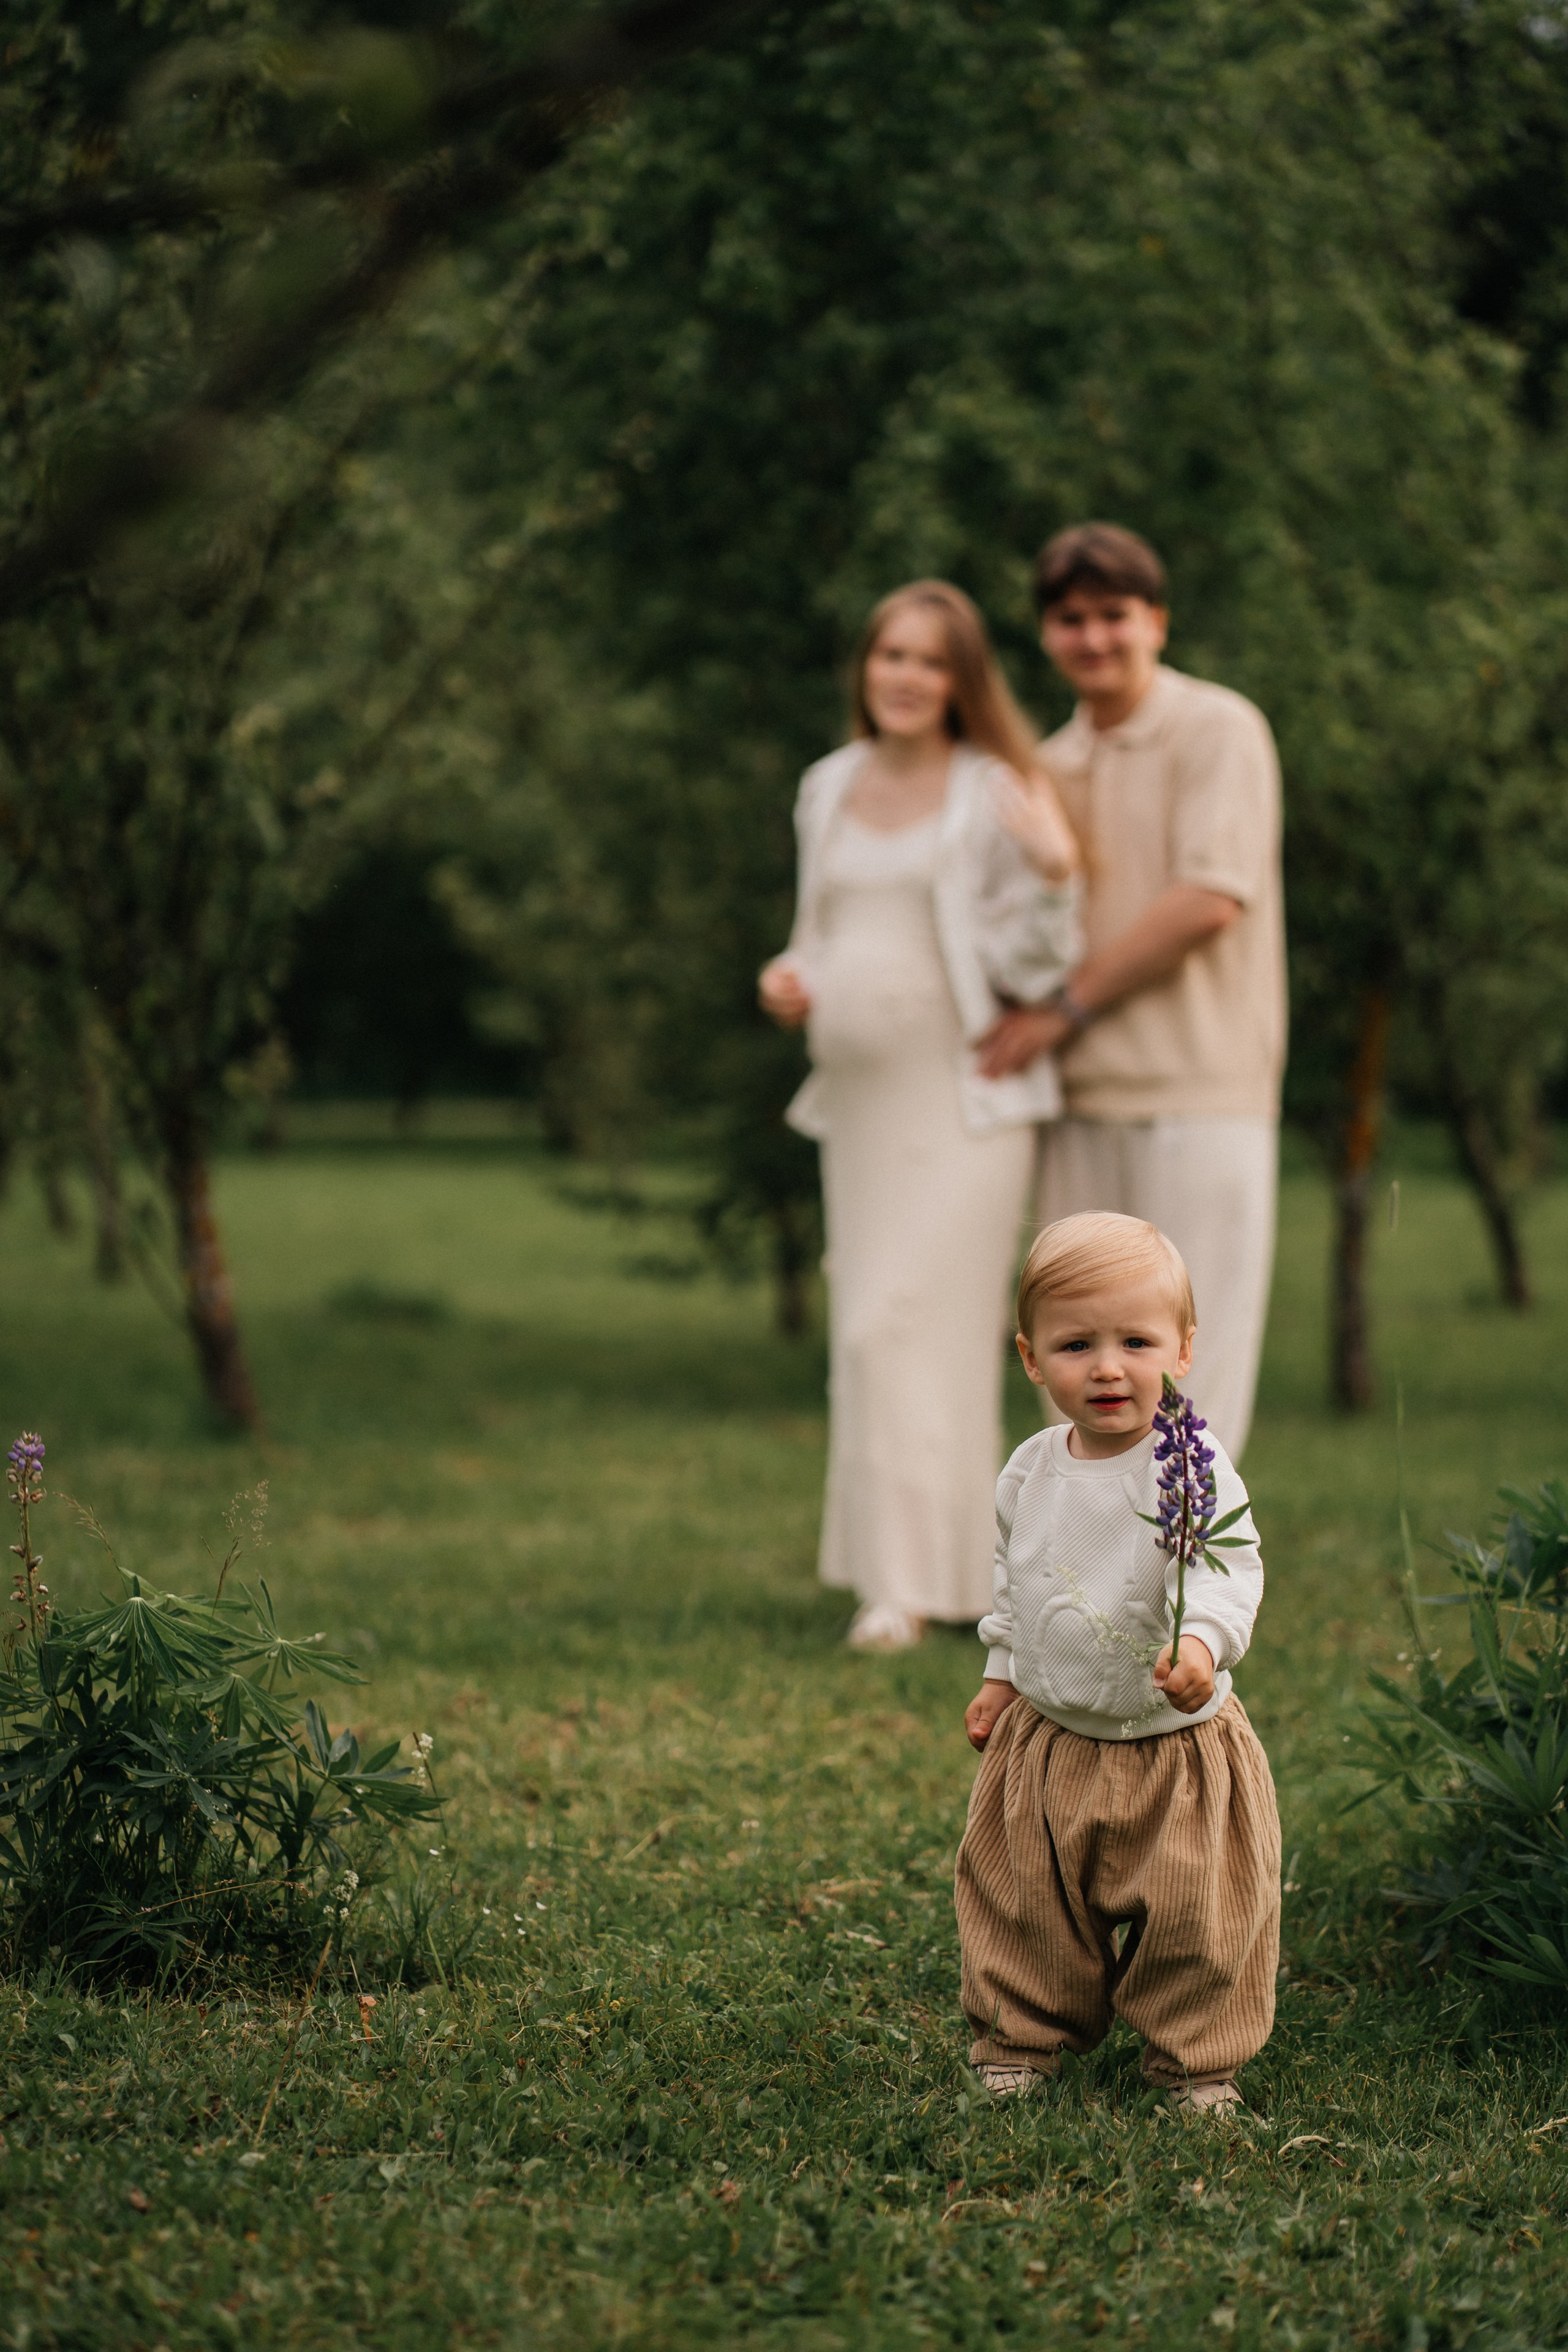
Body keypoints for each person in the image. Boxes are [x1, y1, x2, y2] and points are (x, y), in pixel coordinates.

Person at [759, 580, 1080, 1652]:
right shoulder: (827, 784)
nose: (906, 676)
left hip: (962, 1106)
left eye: (932, 661)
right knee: (868, 1330)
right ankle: (908, 1579)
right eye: (891, 654)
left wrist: (1055, 876)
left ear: (962, 681)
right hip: (857, 1107)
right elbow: (816, 930)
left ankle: (918, 1587)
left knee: (908, 1327)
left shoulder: (993, 790)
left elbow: (1037, 959)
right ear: (866, 666)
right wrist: (790, 979)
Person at [954, 1212, 1280, 2110]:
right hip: (1050, 1742)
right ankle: (1022, 2039)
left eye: (1136, 1342)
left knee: (1198, 1916)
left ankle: (1197, 2062)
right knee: (1026, 1905)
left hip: (1175, 1745)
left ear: (1183, 1348)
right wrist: (1000, 1673)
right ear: (1031, 1359)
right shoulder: (1030, 1470)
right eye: (1076, 1345)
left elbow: (1225, 1565)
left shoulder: (1191, 1465)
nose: (1107, 1367)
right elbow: (1016, 1580)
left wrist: (1200, 1642)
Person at [976, 524, 1286, 1460]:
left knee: (1193, 1374)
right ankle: (1084, 1561)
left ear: (1157, 620)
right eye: (1071, 620)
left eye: (1115, 615)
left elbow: (1208, 900)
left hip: (1201, 1088)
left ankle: (1191, 1560)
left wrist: (1063, 1010)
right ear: (1046, 634)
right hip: (1077, 1096)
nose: (1095, 638)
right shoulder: (1042, 767)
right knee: (1079, 1376)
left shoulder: (1217, 728)